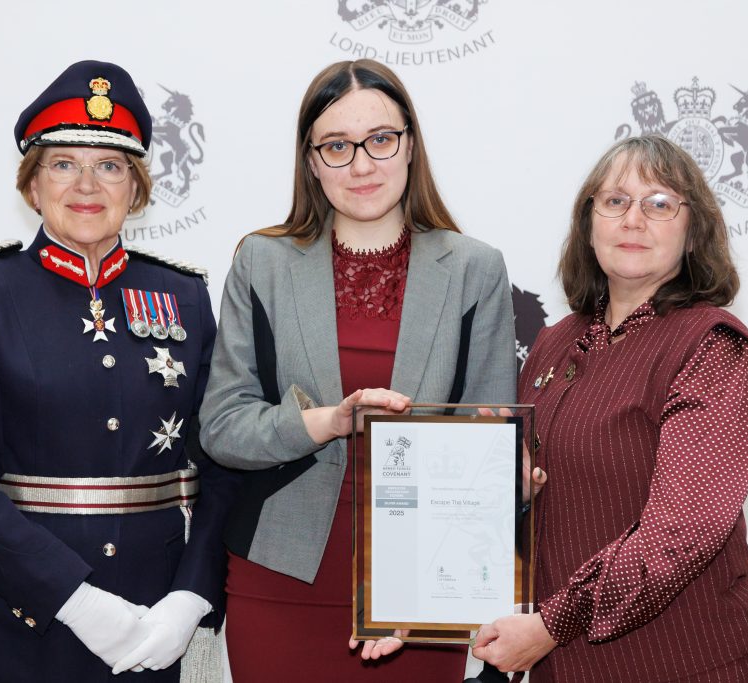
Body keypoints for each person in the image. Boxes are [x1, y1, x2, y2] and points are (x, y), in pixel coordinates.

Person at [198, 59, 515, 681]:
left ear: (410, 145)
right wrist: (327, 421)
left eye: (380, 139)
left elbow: (492, 441)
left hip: (421, 592)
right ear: (311, 161)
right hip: (281, 573)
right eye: (337, 146)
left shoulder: (477, 269)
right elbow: (223, 428)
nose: (362, 164)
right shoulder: (260, 261)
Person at [0, 60, 236, 682]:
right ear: (32, 186)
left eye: (109, 166)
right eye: (63, 163)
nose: (86, 184)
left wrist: (192, 598)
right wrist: (77, 601)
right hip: (11, 626)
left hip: (154, 630)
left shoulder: (186, 297)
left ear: (136, 188)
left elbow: (221, 460)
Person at [472, 135, 748, 681]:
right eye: (614, 201)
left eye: (659, 203)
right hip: (563, 662)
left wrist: (549, 626)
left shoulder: (713, 348)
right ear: (589, 224)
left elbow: (680, 532)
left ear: (692, 232)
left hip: (681, 660)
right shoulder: (555, 342)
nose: (632, 219)